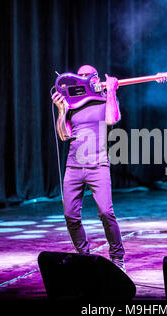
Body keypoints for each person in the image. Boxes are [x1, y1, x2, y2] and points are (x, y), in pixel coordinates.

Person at [51, 65, 126, 272]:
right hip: (73, 166)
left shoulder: (104, 99)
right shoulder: (71, 102)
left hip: (98, 165)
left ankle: (117, 258)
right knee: (70, 215)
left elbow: (112, 119)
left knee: (105, 212)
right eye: (80, 75)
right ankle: (84, 257)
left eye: (87, 75)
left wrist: (111, 91)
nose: (83, 79)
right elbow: (64, 135)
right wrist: (61, 110)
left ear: (95, 77)